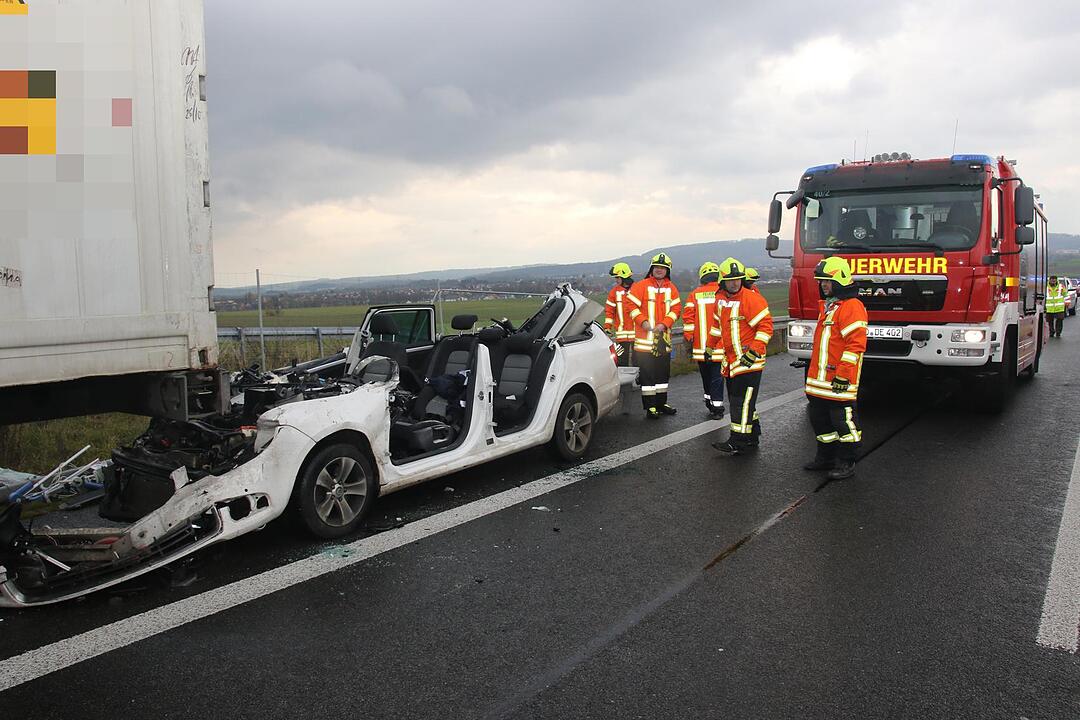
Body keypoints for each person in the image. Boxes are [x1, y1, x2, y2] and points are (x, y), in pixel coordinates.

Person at [802, 257, 867, 480]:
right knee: (819, 419)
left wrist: (843, 375)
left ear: (840, 279)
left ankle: (847, 460)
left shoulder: (851, 307)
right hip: (820, 382)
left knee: (843, 421)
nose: (823, 285)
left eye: (827, 281)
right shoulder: (830, 307)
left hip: (839, 380)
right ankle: (826, 457)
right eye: (822, 281)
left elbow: (855, 346)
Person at [708, 257, 772, 454]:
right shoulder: (720, 301)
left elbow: (766, 328)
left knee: (740, 403)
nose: (735, 283)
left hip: (750, 361)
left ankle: (739, 440)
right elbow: (717, 327)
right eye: (730, 279)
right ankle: (753, 436)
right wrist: (710, 347)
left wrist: (753, 352)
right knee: (743, 402)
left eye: (738, 279)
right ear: (723, 282)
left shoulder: (752, 299)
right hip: (732, 362)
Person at [627, 253, 681, 419]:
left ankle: (661, 403)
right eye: (657, 267)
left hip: (663, 341)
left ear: (667, 270)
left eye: (663, 268)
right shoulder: (640, 286)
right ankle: (650, 407)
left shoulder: (671, 288)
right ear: (652, 268)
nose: (660, 270)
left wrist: (664, 324)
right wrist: (643, 322)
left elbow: (676, 310)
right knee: (648, 375)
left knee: (663, 375)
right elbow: (631, 306)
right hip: (645, 342)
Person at [682, 262, 725, 417]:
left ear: (702, 277)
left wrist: (689, 337)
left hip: (700, 346)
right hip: (719, 346)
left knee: (706, 376)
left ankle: (709, 402)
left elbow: (687, 318)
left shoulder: (694, 294)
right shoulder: (723, 293)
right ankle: (718, 407)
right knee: (717, 378)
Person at [604, 262, 636, 364]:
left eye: (617, 278)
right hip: (621, 335)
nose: (616, 280)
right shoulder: (614, 292)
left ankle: (640, 380)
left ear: (624, 276)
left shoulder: (638, 289)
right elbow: (609, 311)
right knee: (621, 361)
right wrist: (607, 327)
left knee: (639, 361)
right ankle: (623, 380)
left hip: (638, 334)